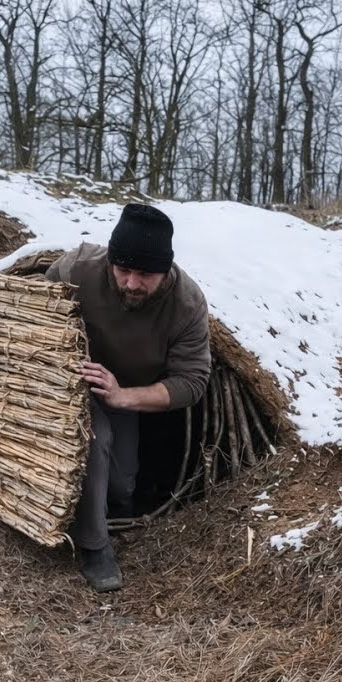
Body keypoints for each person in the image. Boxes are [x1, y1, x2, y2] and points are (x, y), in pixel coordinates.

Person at [45, 203, 211, 592]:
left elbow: (192, 381)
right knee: (93, 439)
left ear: (166, 270)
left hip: (123, 391)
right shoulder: (76, 270)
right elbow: (34, 314)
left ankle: (103, 509)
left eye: (145, 275)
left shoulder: (186, 305)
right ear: (111, 261)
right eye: (123, 270)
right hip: (67, 383)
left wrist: (123, 396)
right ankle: (94, 546)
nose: (132, 283)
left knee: (121, 487)